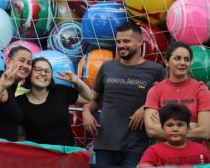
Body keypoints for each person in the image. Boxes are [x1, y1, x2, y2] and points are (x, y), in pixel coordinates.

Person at [82, 21, 166, 167]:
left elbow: (166, 100)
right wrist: (86, 112)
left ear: (140, 42)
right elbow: (92, 98)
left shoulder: (156, 70)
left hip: (136, 147)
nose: (121, 45)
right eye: (118, 41)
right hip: (105, 144)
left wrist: (146, 107)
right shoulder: (107, 66)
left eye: (126, 41)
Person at [16, 57, 93, 146]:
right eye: (38, 70)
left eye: (47, 71)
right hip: (39, 155)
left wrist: (77, 81)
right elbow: (20, 136)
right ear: (29, 73)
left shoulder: (60, 91)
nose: (43, 73)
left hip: (66, 153)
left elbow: (89, 97)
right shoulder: (20, 102)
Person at [144, 42, 210, 144]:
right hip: (165, 155)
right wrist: (192, 125)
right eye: (177, 58)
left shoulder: (201, 89)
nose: (183, 62)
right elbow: (151, 131)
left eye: (187, 59)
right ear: (167, 62)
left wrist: (165, 125)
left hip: (195, 154)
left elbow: (205, 132)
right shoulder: (155, 90)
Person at [138, 104, 210, 167]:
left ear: (188, 128)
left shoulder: (201, 149)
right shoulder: (153, 152)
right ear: (163, 128)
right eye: (170, 125)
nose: (175, 129)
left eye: (180, 125)